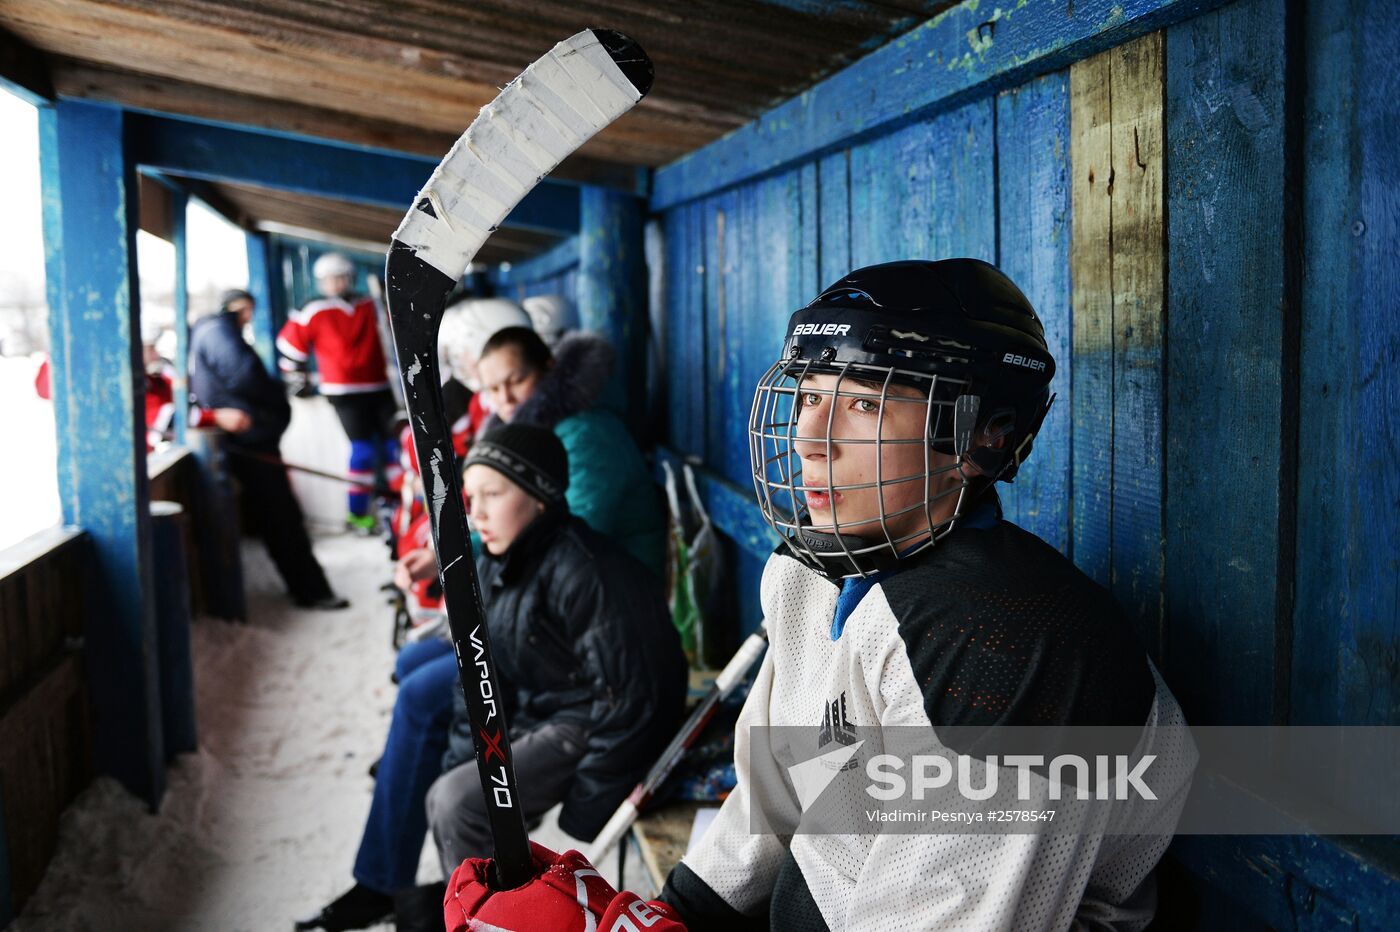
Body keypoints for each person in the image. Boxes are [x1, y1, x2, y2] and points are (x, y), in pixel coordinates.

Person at [443, 260, 1198, 931]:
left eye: (866, 403)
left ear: (985, 437)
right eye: (809, 394)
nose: (810, 437)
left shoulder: (1018, 646)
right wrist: (662, 914)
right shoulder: (811, 573)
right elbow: (781, 791)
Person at [298, 424, 687, 932]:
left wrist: (583, 818)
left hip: (588, 719)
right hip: (546, 708)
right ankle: (480, 907)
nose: (475, 512)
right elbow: (477, 681)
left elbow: (639, 698)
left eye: (493, 494)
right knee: (453, 790)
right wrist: (465, 763)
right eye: (470, 497)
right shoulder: (498, 565)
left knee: (458, 803)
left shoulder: (585, 570)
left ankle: (494, 915)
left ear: (541, 498)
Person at [191, 288, 347, 610]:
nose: (249, 318)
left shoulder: (210, 330)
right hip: (249, 443)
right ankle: (311, 590)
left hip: (246, 442)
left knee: (278, 516)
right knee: (281, 516)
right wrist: (277, 398)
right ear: (237, 307)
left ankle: (307, 588)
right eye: (247, 311)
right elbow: (245, 375)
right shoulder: (218, 330)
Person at [475, 326, 665, 574]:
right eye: (494, 389)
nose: (506, 398)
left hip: (624, 582)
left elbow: (579, 530)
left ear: (549, 368)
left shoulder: (586, 433)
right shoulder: (524, 440)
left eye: (517, 381)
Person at [277, 252, 400, 533]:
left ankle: (406, 504)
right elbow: (288, 347)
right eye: (330, 279)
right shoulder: (313, 309)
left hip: (381, 387)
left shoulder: (372, 304)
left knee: (395, 448)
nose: (336, 283)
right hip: (344, 392)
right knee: (364, 452)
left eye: (341, 277)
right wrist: (298, 381)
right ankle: (357, 515)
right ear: (321, 282)